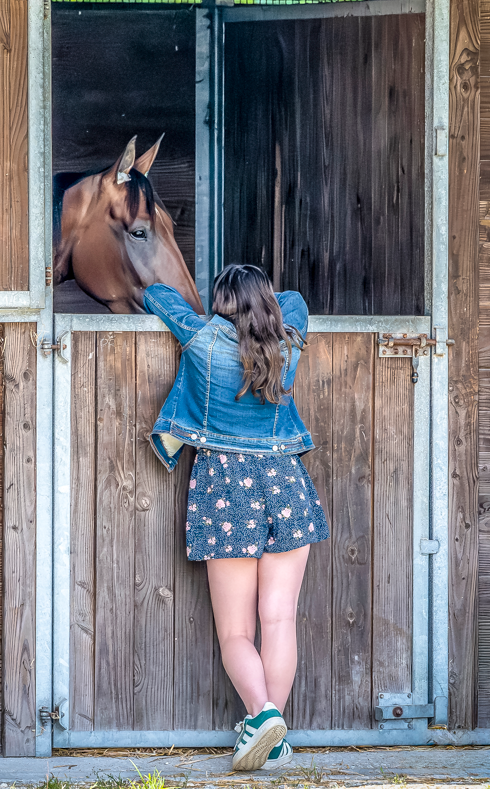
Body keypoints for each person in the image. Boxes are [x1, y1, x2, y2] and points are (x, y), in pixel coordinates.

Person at [142, 263, 330, 772]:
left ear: (220, 305)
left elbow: (157, 293)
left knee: (236, 633)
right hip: (285, 483)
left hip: (226, 491)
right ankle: (275, 738)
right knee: (280, 619)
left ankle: (262, 715)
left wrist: (214, 316)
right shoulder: (287, 341)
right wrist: (262, 307)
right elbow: (294, 299)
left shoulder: (202, 338)